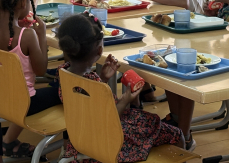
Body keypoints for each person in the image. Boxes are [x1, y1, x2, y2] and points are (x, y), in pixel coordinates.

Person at [56, 12, 185, 162]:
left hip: (81, 139)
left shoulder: (63, 72)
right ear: (99, 50)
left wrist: (102, 79)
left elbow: (88, 103)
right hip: (109, 140)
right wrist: (125, 100)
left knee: (145, 120)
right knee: (175, 133)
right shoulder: (92, 82)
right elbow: (106, 120)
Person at [0, 0, 60, 163]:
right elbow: (41, 70)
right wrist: (41, 35)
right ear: (23, 2)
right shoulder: (27, 35)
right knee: (60, 89)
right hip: (25, 103)